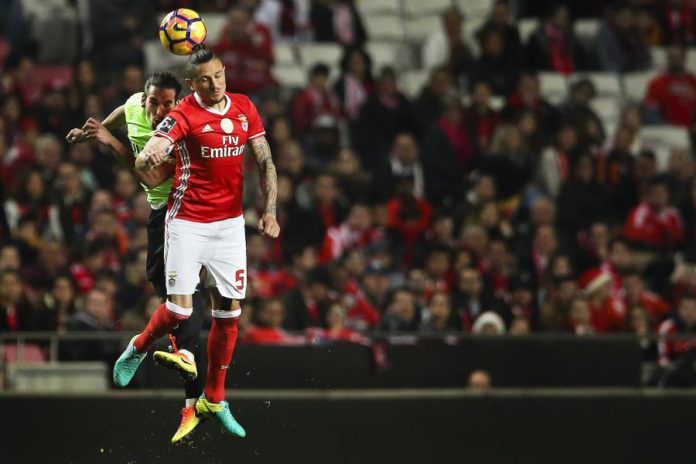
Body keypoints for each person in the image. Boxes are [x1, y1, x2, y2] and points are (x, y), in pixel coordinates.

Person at [113, 46, 280, 440]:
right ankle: (138, 346)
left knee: (229, 313)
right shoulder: (184, 113)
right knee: (179, 310)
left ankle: (214, 399)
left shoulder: (244, 107)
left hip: (229, 226)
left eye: (219, 75)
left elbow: (265, 161)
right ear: (192, 84)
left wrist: (270, 210)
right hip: (187, 221)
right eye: (205, 79)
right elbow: (154, 150)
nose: (215, 84)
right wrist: (151, 152)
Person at [66, 72, 208, 443]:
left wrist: (109, 140)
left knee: (185, 296)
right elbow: (122, 112)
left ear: (177, 104)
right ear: (144, 98)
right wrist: (94, 131)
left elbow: (153, 176)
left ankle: (180, 367)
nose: (160, 110)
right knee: (168, 290)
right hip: (162, 213)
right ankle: (190, 383)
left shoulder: (180, 131)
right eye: (153, 102)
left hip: (186, 211)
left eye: (168, 104)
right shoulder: (134, 105)